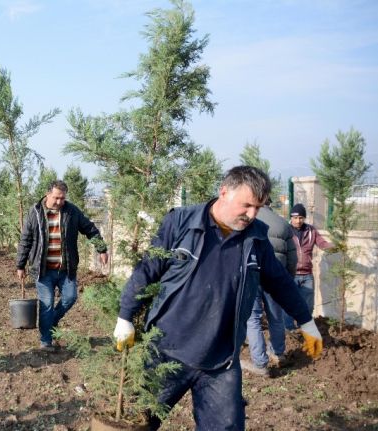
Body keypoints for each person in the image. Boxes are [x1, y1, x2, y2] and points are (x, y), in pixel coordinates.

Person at [113, 166, 323, 430]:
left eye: (258, 208)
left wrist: (306, 322)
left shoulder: (256, 237)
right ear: (224, 192)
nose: (252, 214)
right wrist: (125, 316)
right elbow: (147, 270)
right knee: (136, 422)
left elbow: (280, 282)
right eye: (246, 205)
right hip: (166, 352)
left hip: (221, 362)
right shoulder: (181, 223)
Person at [16, 180, 108, 351]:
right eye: (56, 198)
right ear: (48, 194)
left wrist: (101, 249)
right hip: (43, 270)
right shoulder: (35, 212)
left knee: (70, 298)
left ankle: (52, 321)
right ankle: (45, 341)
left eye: (62, 198)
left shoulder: (72, 212)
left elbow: (90, 229)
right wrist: (20, 265)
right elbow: (25, 240)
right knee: (46, 304)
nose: (59, 202)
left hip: (66, 269)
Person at [241, 200, 298, 376]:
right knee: (276, 317)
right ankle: (278, 354)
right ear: (270, 204)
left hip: (252, 277)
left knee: (253, 319)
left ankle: (260, 363)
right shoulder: (282, 224)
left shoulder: (246, 221)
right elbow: (292, 258)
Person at [285, 203, 334, 330]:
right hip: (290, 274)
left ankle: (305, 327)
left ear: (304, 218)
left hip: (307, 275)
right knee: (289, 303)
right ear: (291, 217)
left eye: (301, 217)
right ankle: (289, 328)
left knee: (308, 305)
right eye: (295, 217)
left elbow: (322, 244)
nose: (298, 220)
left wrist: (335, 245)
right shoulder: (286, 230)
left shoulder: (311, 231)